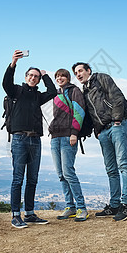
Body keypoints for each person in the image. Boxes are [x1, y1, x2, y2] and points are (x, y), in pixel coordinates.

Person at [72, 62, 127, 222]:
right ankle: (115, 205)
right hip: (102, 132)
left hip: (116, 126)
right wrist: (92, 131)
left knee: (123, 163)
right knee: (111, 169)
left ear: (88, 71)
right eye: (76, 73)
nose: (78, 74)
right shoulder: (84, 91)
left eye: (80, 71)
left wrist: (116, 120)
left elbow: (117, 97)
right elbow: (88, 116)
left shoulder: (101, 78)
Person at [2, 50, 57, 228]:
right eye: (31, 75)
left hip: (36, 141)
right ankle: (16, 215)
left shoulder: (38, 96)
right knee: (18, 178)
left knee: (33, 179)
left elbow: (53, 91)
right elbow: (6, 82)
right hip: (19, 139)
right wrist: (13, 63)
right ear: (26, 77)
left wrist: (46, 75)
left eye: (36, 76)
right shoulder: (16, 91)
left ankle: (30, 214)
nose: (33, 78)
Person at [49, 69, 89, 222]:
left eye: (63, 76)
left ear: (68, 78)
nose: (60, 78)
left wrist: (74, 133)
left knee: (68, 173)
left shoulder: (74, 91)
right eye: (57, 76)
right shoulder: (57, 93)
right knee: (61, 174)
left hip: (68, 136)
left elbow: (79, 112)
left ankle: (81, 208)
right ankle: (69, 206)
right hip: (55, 137)